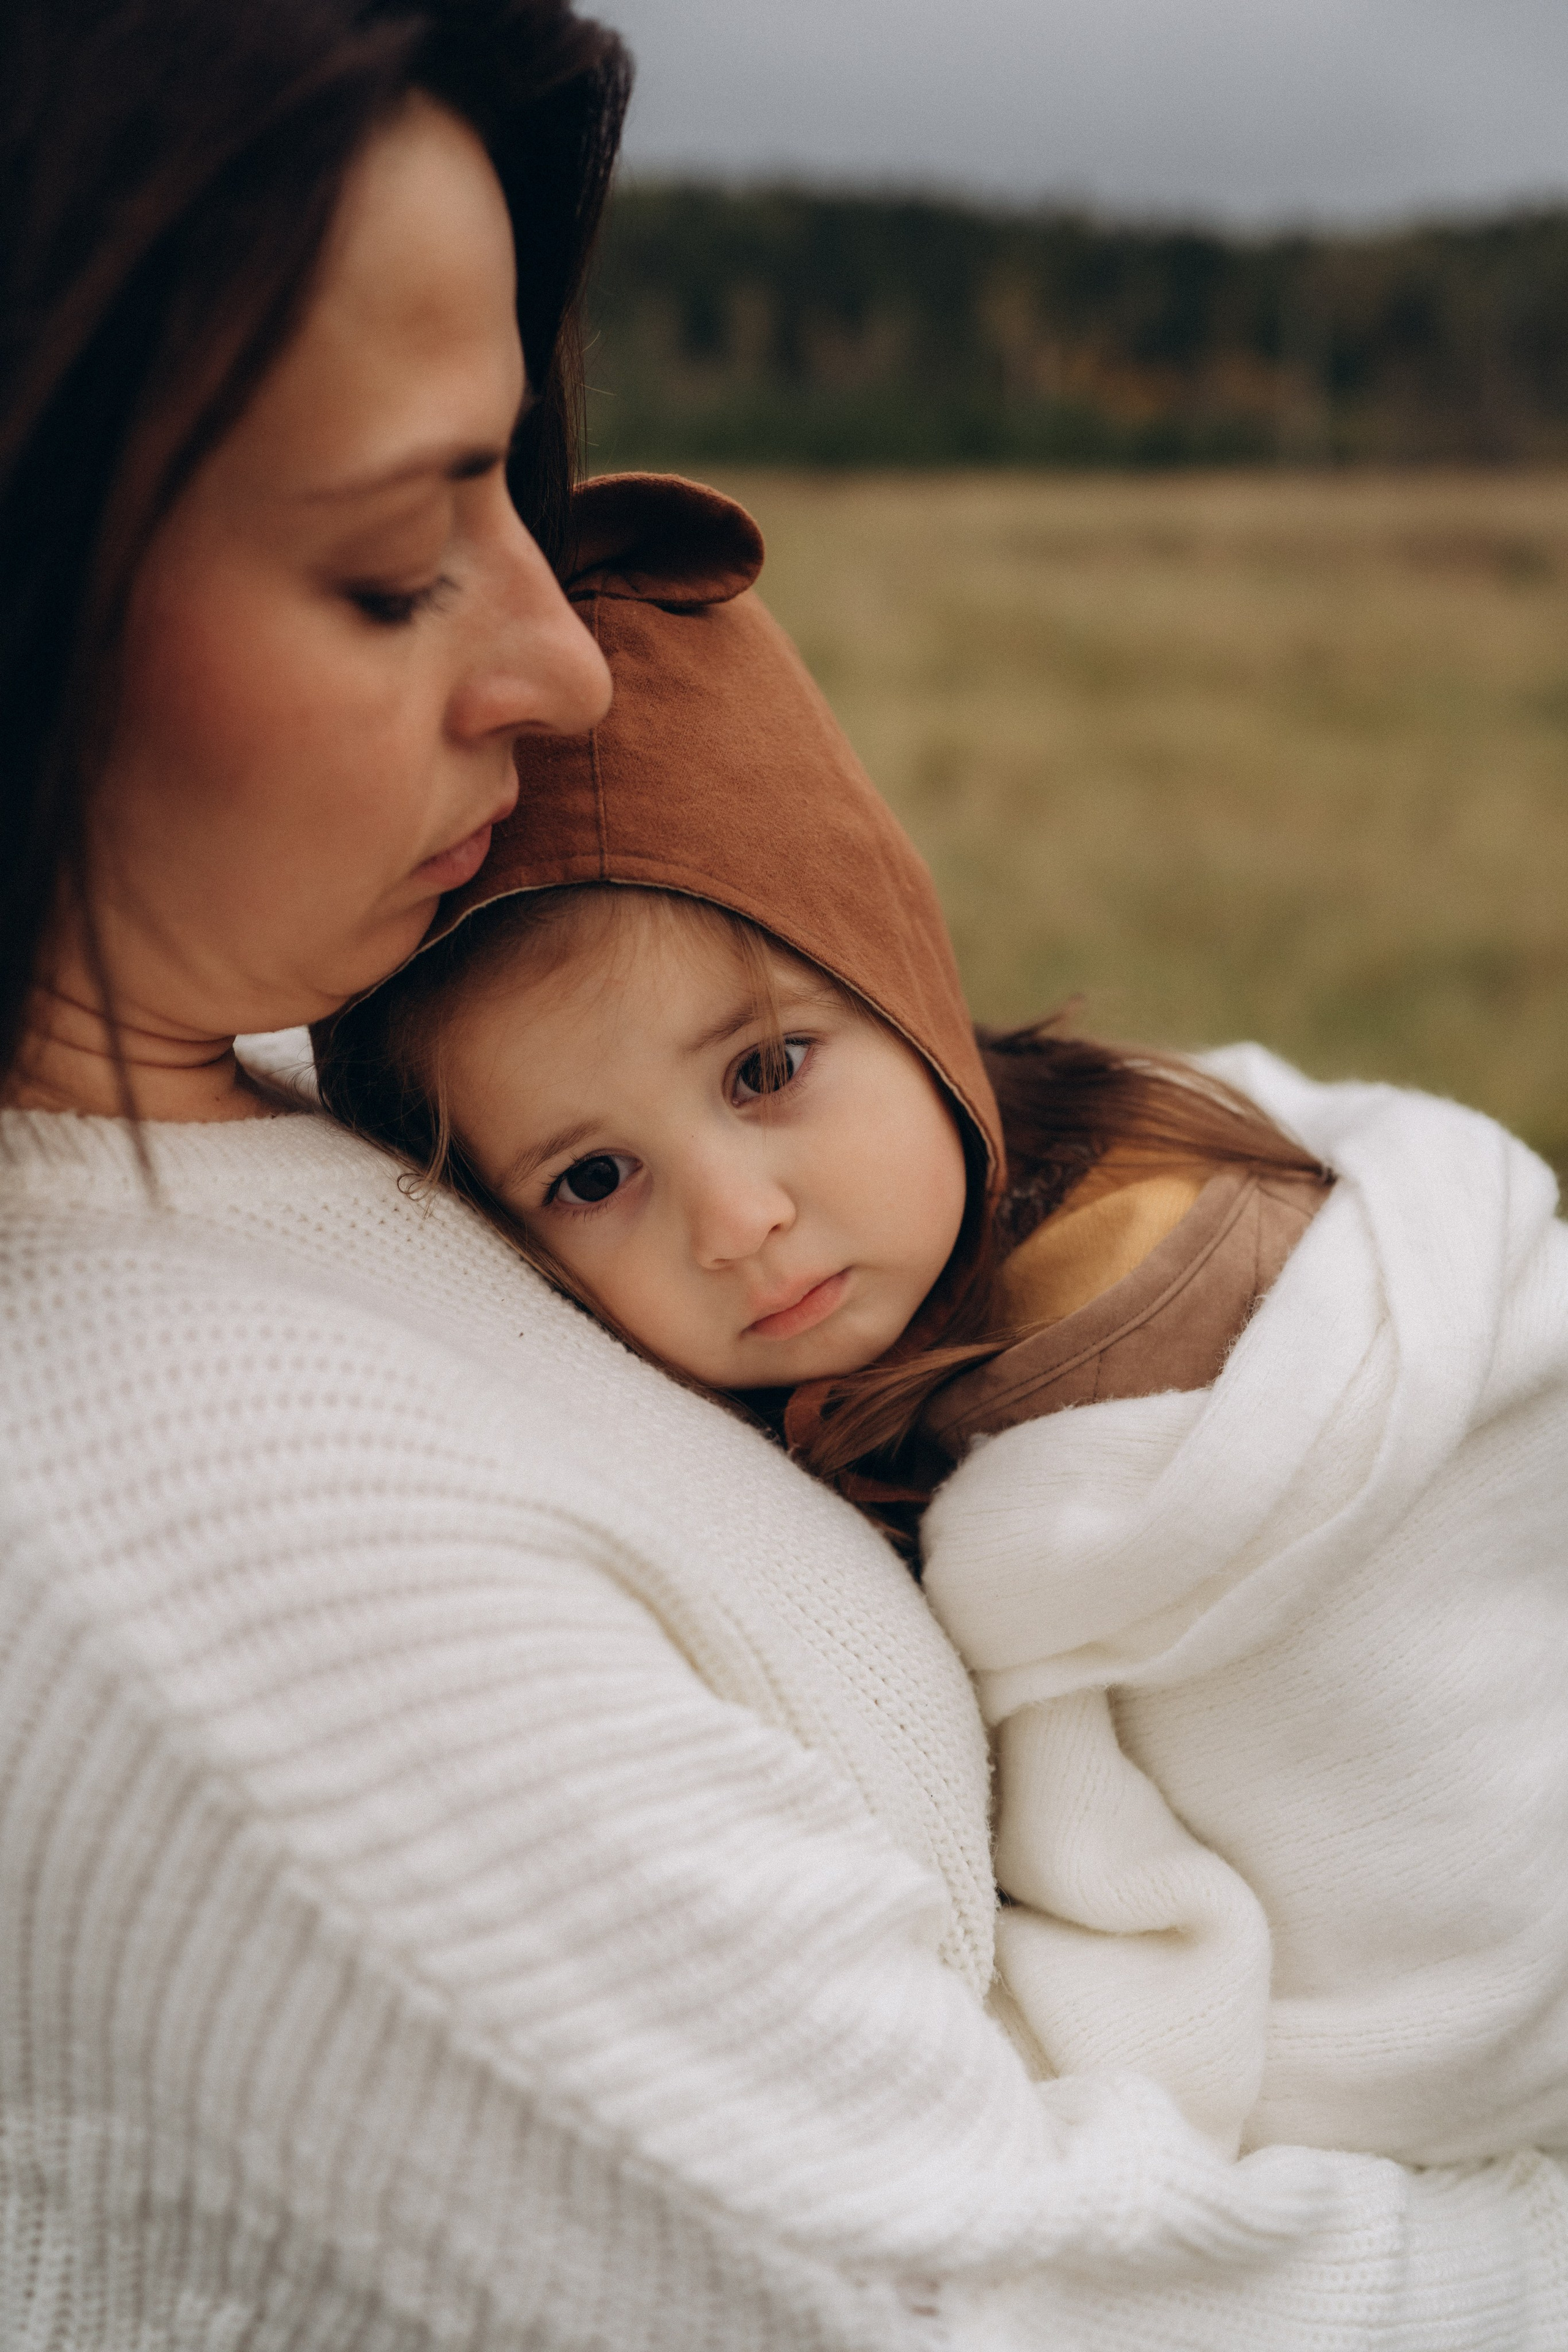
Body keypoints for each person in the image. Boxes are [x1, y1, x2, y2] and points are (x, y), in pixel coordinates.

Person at [1, 4, 1564, 2345]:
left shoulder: (290, 1078)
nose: (567, 667)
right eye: (396, 570)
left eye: (517, 499)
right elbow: (995, 2315)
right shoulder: (198, 1563)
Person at [319, 468, 1568, 2173]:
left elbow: (1438, 1840)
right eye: (595, 1178)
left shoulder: (1167, 1328)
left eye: (768, 1069)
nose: (738, 1221)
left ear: (898, 974)